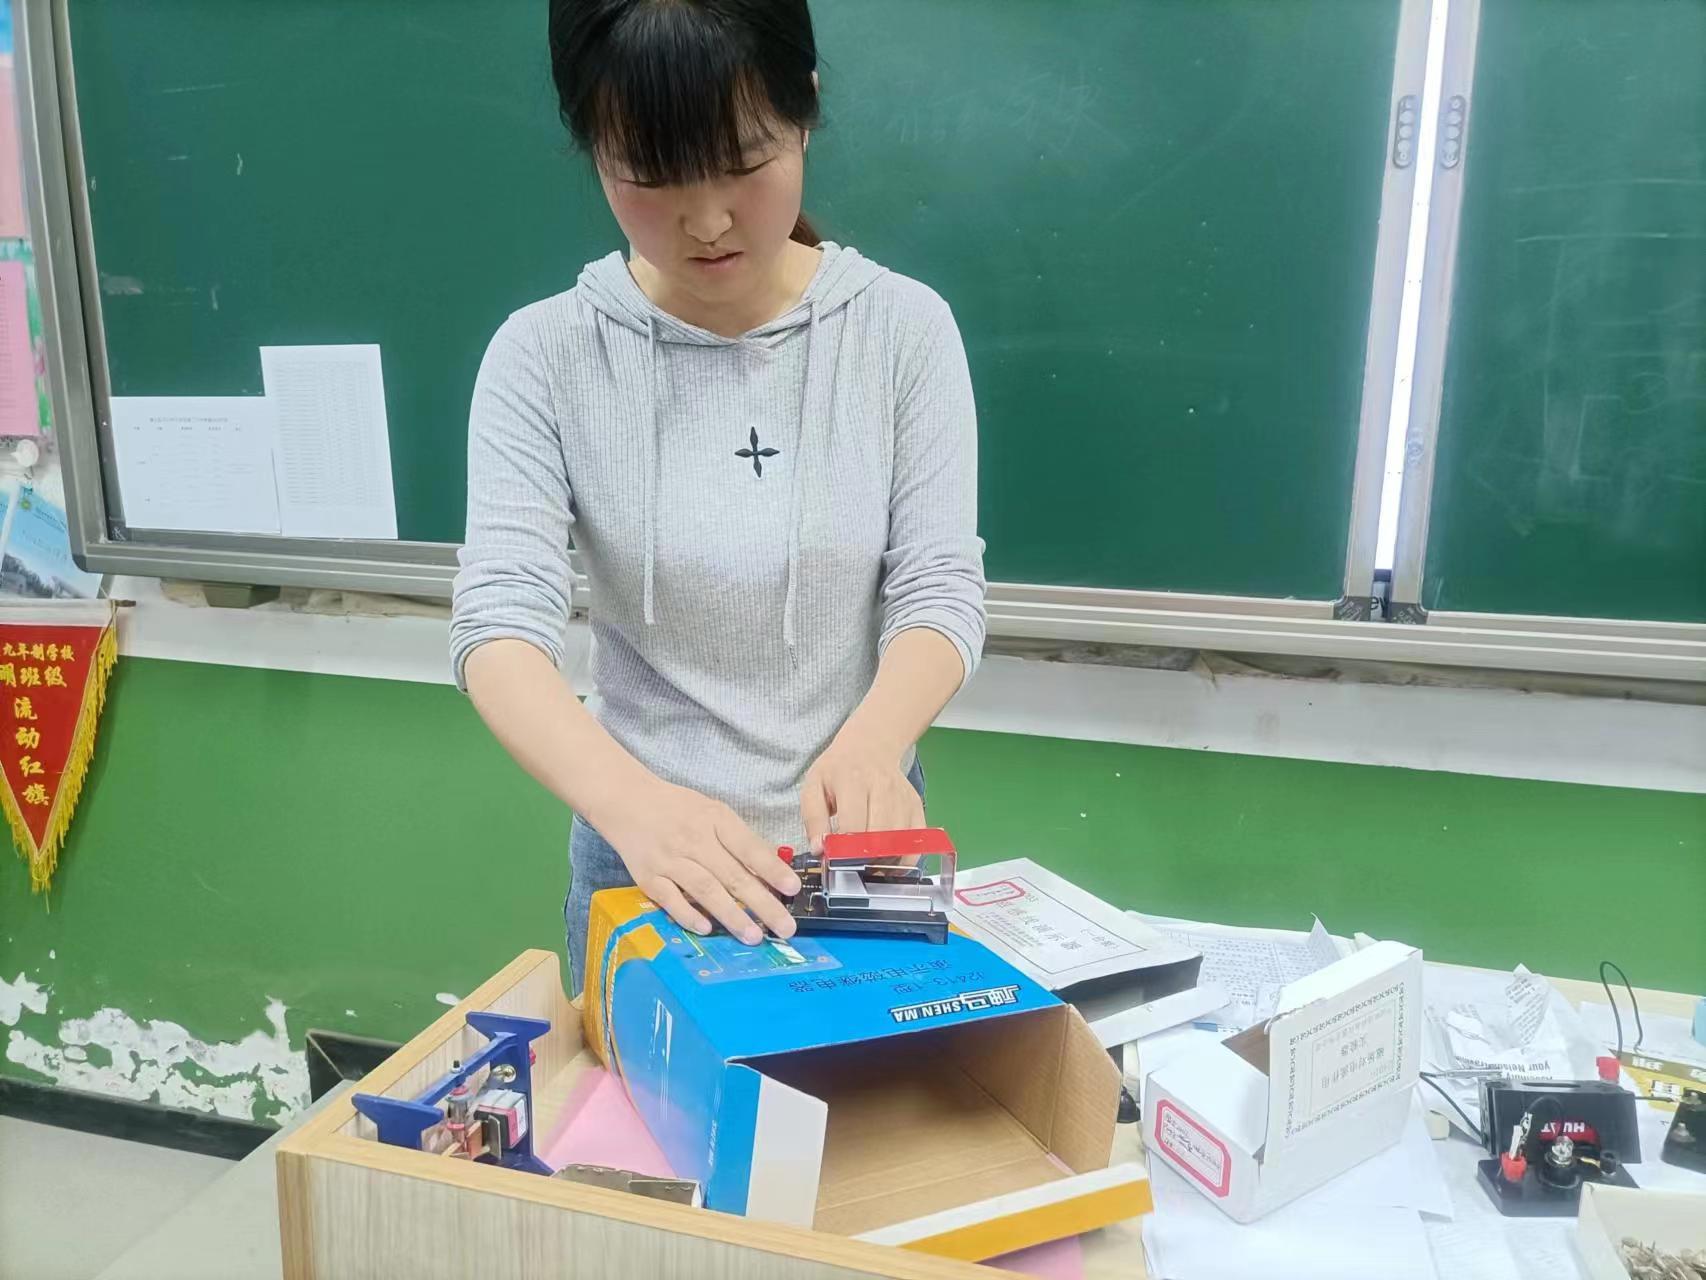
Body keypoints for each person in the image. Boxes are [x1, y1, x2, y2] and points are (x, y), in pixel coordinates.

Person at [450, 0, 985, 991]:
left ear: (804, 109)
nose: (705, 221)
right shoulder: (544, 356)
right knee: (645, 1100)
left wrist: (873, 747)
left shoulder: (903, 331)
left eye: (742, 162)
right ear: (591, 146)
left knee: (878, 1089)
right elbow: (497, 626)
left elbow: (939, 586)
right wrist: (635, 808)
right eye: (650, 176)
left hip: (856, 847)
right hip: (648, 858)